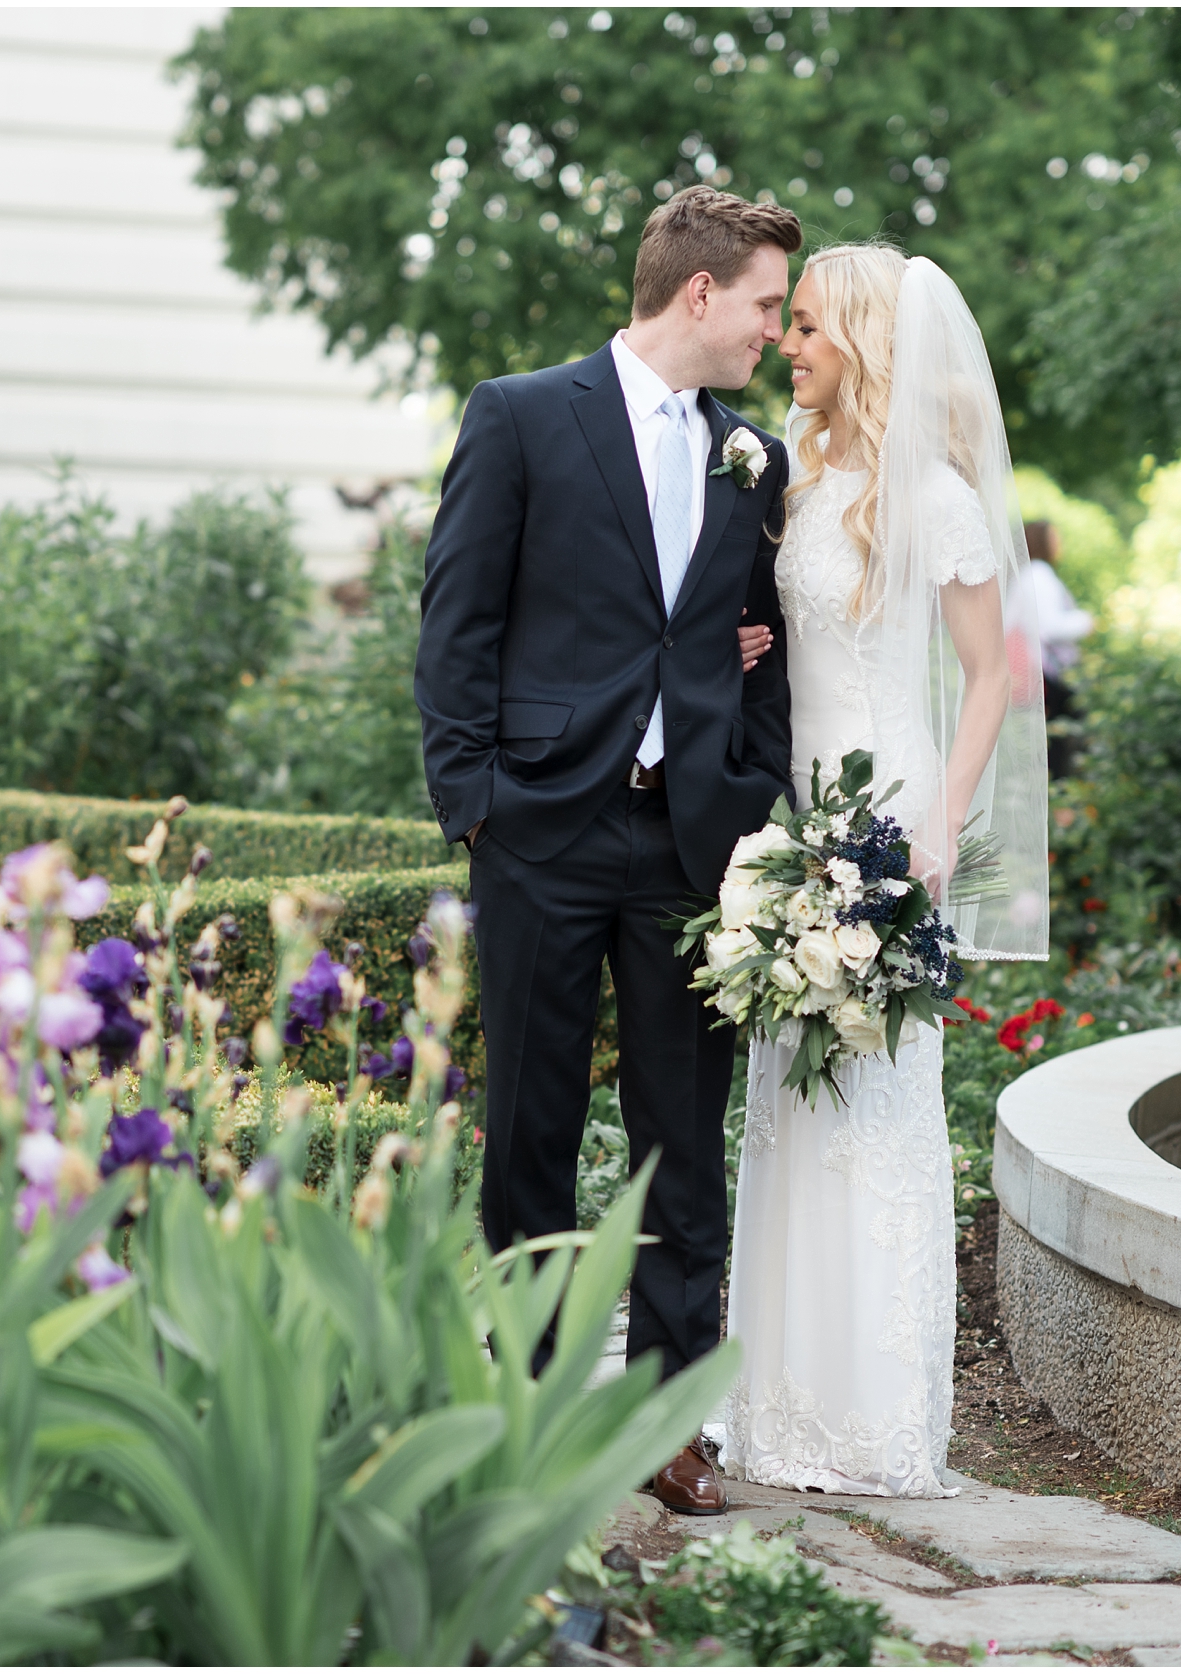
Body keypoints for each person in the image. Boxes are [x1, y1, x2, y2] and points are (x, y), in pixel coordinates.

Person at [414, 187, 802, 1516]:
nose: (775, 330)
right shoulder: (520, 415)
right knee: (530, 1128)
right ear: (699, 294)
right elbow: (456, 617)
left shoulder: (754, 455)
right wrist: (473, 799)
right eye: (765, 305)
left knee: (682, 1136)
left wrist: (751, 789)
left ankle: (670, 1424)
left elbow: (760, 645)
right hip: (540, 828)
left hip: (689, 839)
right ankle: (525, 1412)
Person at [719, 242, 1048, 1499]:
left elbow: (994, 674)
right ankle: (775, 1407)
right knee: (788, 1106)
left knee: (873, 1099)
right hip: (791, 814)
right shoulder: (785, 472)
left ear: (857, 339)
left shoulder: (937, 497)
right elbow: (765, 625)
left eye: (805, 326)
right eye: (784, 323)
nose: (786, 345)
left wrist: (943, 819)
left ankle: (875, 1421)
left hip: (889, 810)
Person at [1013, 519, 1094, 778]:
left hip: (1039, 669)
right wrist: (1086, 621)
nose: (1059, 543)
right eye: (1055, 536)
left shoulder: (1028, 575)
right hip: (1047, 670)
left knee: (1050, 740)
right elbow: (1049, 626)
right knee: (1060, 743)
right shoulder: (1039, 574)